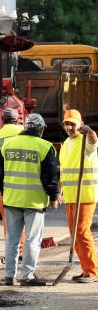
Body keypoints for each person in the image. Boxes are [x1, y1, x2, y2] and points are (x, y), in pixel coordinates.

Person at [0, 113, 61, 286]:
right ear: (41, 129)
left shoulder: (7, 145)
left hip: (11, 200)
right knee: (33, 239)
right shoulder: (45, 147)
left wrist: (4, 192)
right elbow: (50, 177)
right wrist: (54, 196)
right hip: (34, 202)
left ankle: (9, 276)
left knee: (12, 239)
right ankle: (27, 275)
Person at [59, 109, 98, 283]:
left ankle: (92, 271)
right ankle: (85, 269)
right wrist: (59, 190)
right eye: (66, 124)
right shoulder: (66, 143)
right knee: (75, 235)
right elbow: (64, 170)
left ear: (80, 124)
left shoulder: (85, 141)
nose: (69, 127)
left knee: (82, 232)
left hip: (85, 195)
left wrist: (90, 132)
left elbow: (94, 142)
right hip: (70, 196)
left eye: (72, 124)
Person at [0, 108, 25, 261]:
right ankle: (24, 250)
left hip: (5, 186)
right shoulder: (24, 133)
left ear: (2, 120)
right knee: (25, 218)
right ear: (18, 120)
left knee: (8, 221)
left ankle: (12, 250)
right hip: (25, 182)